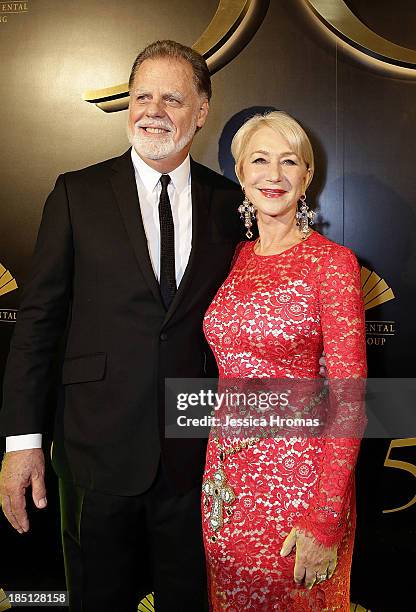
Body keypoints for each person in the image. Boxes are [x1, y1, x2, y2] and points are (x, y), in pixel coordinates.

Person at [0, 40, 243, 611]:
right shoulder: (75, 193)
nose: (153, 110)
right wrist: (22, 443)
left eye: (172, 98)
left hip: (197, 455)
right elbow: (36, 324)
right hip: (95, 450)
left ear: (201, 111)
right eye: (142, 96)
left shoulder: (231, 203)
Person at [202, 111, 367, 610]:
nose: (273, 175)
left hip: (300, 484)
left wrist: (324, 517)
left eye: (288, 161)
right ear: (241, 173)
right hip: (225, 480)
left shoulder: (333, 263)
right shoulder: (234, 258)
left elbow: (350, 398)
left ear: (306, 176)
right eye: (259, 160)